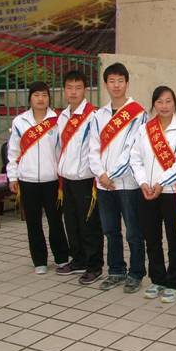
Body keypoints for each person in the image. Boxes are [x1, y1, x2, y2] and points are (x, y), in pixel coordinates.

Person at [88, 62, 147, 293]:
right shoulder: (98, 115)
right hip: (104, 185)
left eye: (120, 81)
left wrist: (110, 174)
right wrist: (101, 174)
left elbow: (133, 148)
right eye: (111, 81)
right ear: (105, 84)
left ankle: (136, 273)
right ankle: (116, 270)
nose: (116, 85)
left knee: (133, 231)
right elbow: (93, 148)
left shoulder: (138, 114)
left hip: (128, 183)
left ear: (127, 83)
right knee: (111, 230)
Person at [130, 86, 176, 303]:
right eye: (159, 102)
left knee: (175, 239)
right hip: (147, 193)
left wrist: (161, 182)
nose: (164, 106)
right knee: (152, 238)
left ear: (174, 103)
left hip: (172, 193)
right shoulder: (145, 129)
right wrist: (143, 182)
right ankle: (157, 279)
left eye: (168, 101)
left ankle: (173, 283)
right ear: (153, 104)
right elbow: (135, 158)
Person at [7, 81, 69, 274]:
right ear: (30, 98)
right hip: (28, 180)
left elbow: (63, 150)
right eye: (36, 95)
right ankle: (39, 261)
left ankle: (62, 258)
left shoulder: (58, 120)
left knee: (55, 221)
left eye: (44, 95)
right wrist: (13, 177)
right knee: (33, 223)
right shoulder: (20, 121)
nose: (40, 99)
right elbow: (13, 152)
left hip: (52, 180)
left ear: (49, 98)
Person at [56, 70, 104, 285]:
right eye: (69, 88)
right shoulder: (62, 116)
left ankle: (94, 265)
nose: (73, 92)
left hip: (86, 179)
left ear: (85, 90)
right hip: (67, 179)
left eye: (78, 88)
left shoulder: (94, 115)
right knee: (71, 222)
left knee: (89, 225)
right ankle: (78, 260)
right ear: (64, 90)